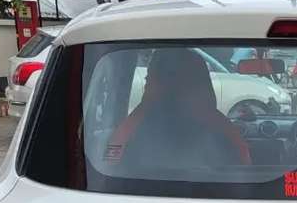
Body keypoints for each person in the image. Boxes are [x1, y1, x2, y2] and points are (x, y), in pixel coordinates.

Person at [107, 48, 251, 170]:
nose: (146, 83)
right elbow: (245, 169)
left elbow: (110, 161)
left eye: (149, 78)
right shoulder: (221, 127)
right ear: (203, 83)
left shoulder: (135, 126)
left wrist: (145, 106)